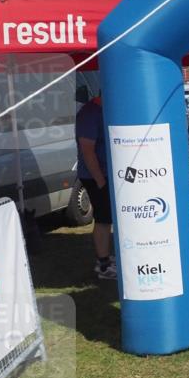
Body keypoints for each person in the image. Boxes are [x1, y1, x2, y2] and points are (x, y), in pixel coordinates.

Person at [75, 95, 115, 281]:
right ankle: (103, 264)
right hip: (96, 175)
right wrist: (100, 180)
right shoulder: (89, 113)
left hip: (109, 174)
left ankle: (107, 258)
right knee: (103, 219)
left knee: (108, 218)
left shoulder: (105, 109)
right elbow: (87, 150)